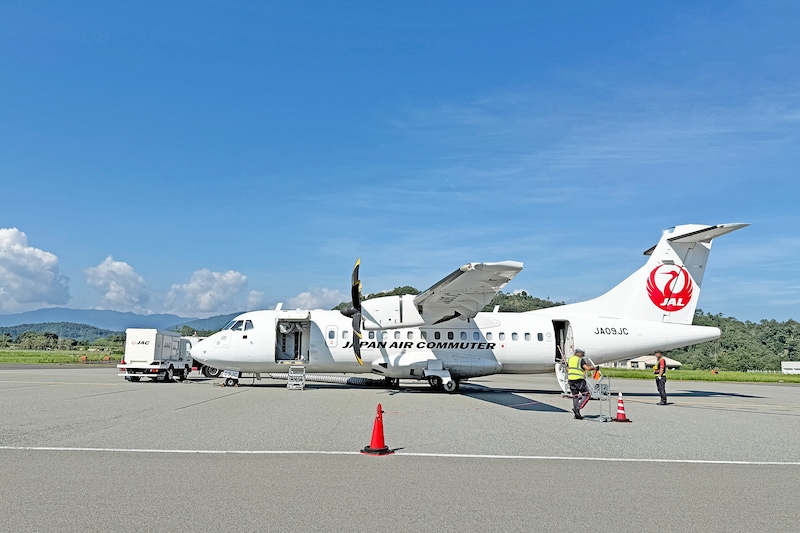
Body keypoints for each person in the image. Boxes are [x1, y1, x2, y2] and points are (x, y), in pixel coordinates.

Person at [567, 349, 597, 419]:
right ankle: (577, 408)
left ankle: (577, 414)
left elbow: (567, 369)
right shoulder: (580, 360)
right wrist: (595, 368)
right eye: (583, 354)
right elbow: (587, 368)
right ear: (579, 353)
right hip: (579, 380)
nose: (583, 355)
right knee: (587, 395)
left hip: (571, 379)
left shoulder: (570, 359)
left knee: (575, 396)